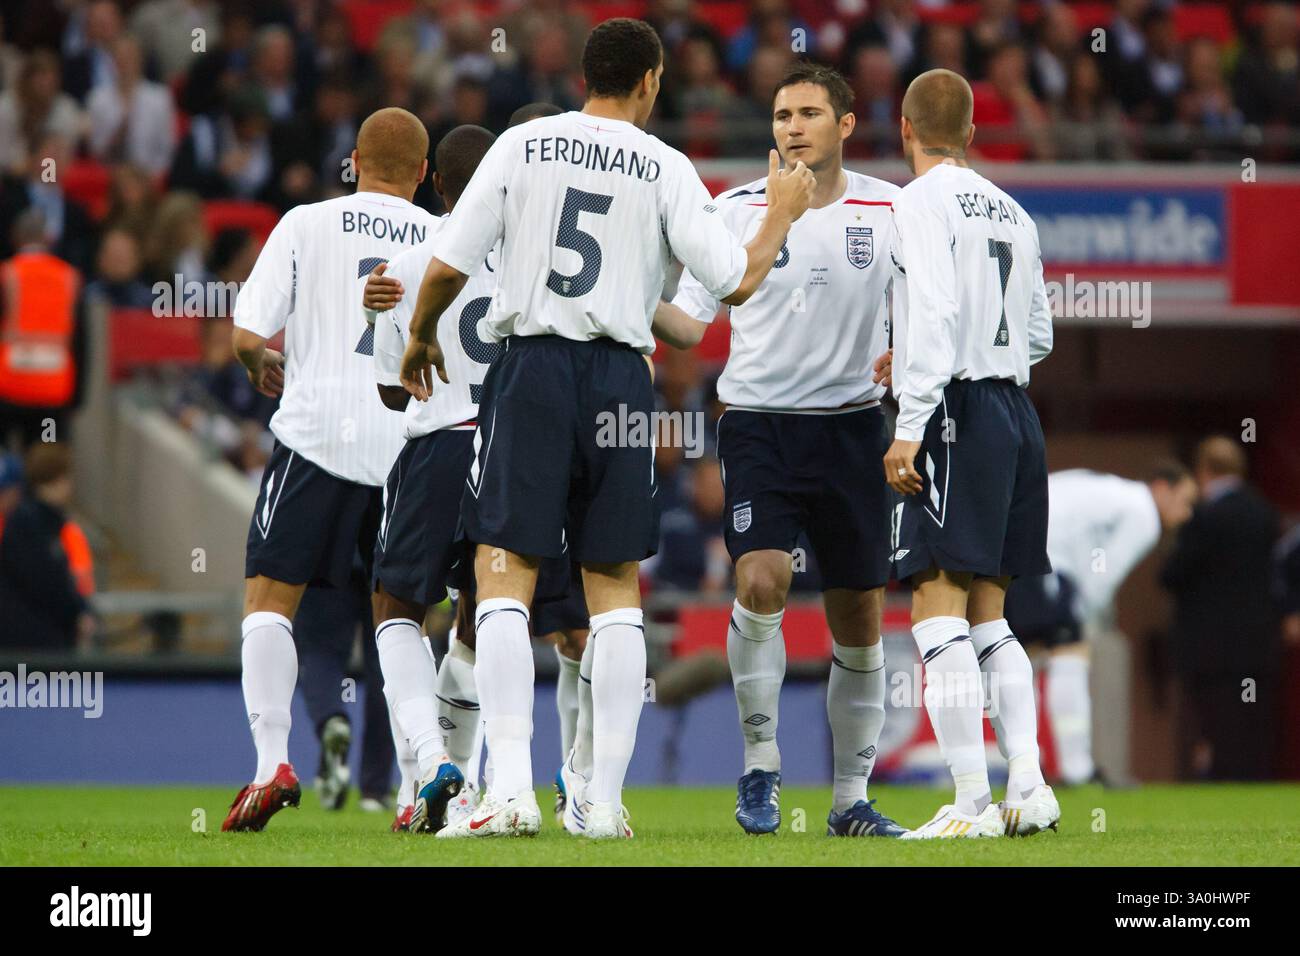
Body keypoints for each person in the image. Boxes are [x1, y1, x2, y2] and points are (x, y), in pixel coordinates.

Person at [398, 17, 813, 839]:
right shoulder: (665, 165)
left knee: (503, 570)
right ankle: (601, 803)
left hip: (534, 370)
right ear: (652, 81)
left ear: (587, 74)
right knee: (614, 586)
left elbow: (448, 262)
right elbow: (732, 282)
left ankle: (511, 793)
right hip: (623, 376)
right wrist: (782, 214)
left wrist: (418, 334)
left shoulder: (526, 146)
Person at [653, 63, 906, 838]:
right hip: (759, 423)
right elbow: (692, 327)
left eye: (807, 112)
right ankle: (760, 767)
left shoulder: (891, 209)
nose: (791, 126)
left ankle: (849, 801)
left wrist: (913, 354)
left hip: (857, 428)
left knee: (859, 616)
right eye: (781, 114)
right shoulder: (734, 210)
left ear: (845, 124)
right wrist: (624, 298)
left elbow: (926, 309)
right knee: (763, 580)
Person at [220, 107, 437, 833]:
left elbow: (248, 333)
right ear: (423, 172)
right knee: (399, 622)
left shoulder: (306, 223)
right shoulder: (443, 236)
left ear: (353, 161)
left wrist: (264, 363)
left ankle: (271, 764)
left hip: (314, 442)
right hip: (406, 452)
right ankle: (416, 781)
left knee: (268, 603)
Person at [883, 68, 1057, 839]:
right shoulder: (1015, 210)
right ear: (975, 135)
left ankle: (970, 801)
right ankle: (1030, 782)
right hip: (1016, 413)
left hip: (953, 409)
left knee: (934, 603)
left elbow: (936, 308)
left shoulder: (916, 201)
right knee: (992, 613)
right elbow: (1040, 335)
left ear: (906, 129)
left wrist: (910, 422)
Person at [1004, 462, 1197, 784]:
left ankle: (1025, 766)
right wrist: (1086, 615)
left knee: (1024, 659)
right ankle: (1073, 769)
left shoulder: (1113, 491)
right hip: (1046, 561)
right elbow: (1105, 574)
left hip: (1021, 547)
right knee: (1069, 655)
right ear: (1163, 488)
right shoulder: (1143, 514)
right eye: (1185, 500)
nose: (1187, 513)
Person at [1161, 436, 1281, 780]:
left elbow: (1173, 575)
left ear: (1203, 471)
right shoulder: (1264, 512)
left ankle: (1221, 779)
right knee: (1253, 725)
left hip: (1211, 649)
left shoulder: (1204, 517)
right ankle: (1256, 786)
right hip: (1258, 643)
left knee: (1216, 727)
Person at [0, 209, 85, 449]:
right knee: (45, 463)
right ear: (49, 239)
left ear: (15, 237)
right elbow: (80, 343)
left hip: (8, 387)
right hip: (53, 390)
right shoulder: (70, 278)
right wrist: (77, 398)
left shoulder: (7, 275)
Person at [0, 443, 95, 650]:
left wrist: (80, 610)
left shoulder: (52, 525)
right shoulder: (29, 525)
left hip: (43, 640)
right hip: (33, 646)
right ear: (59, 479)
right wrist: (76, 613)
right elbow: (46, 581)